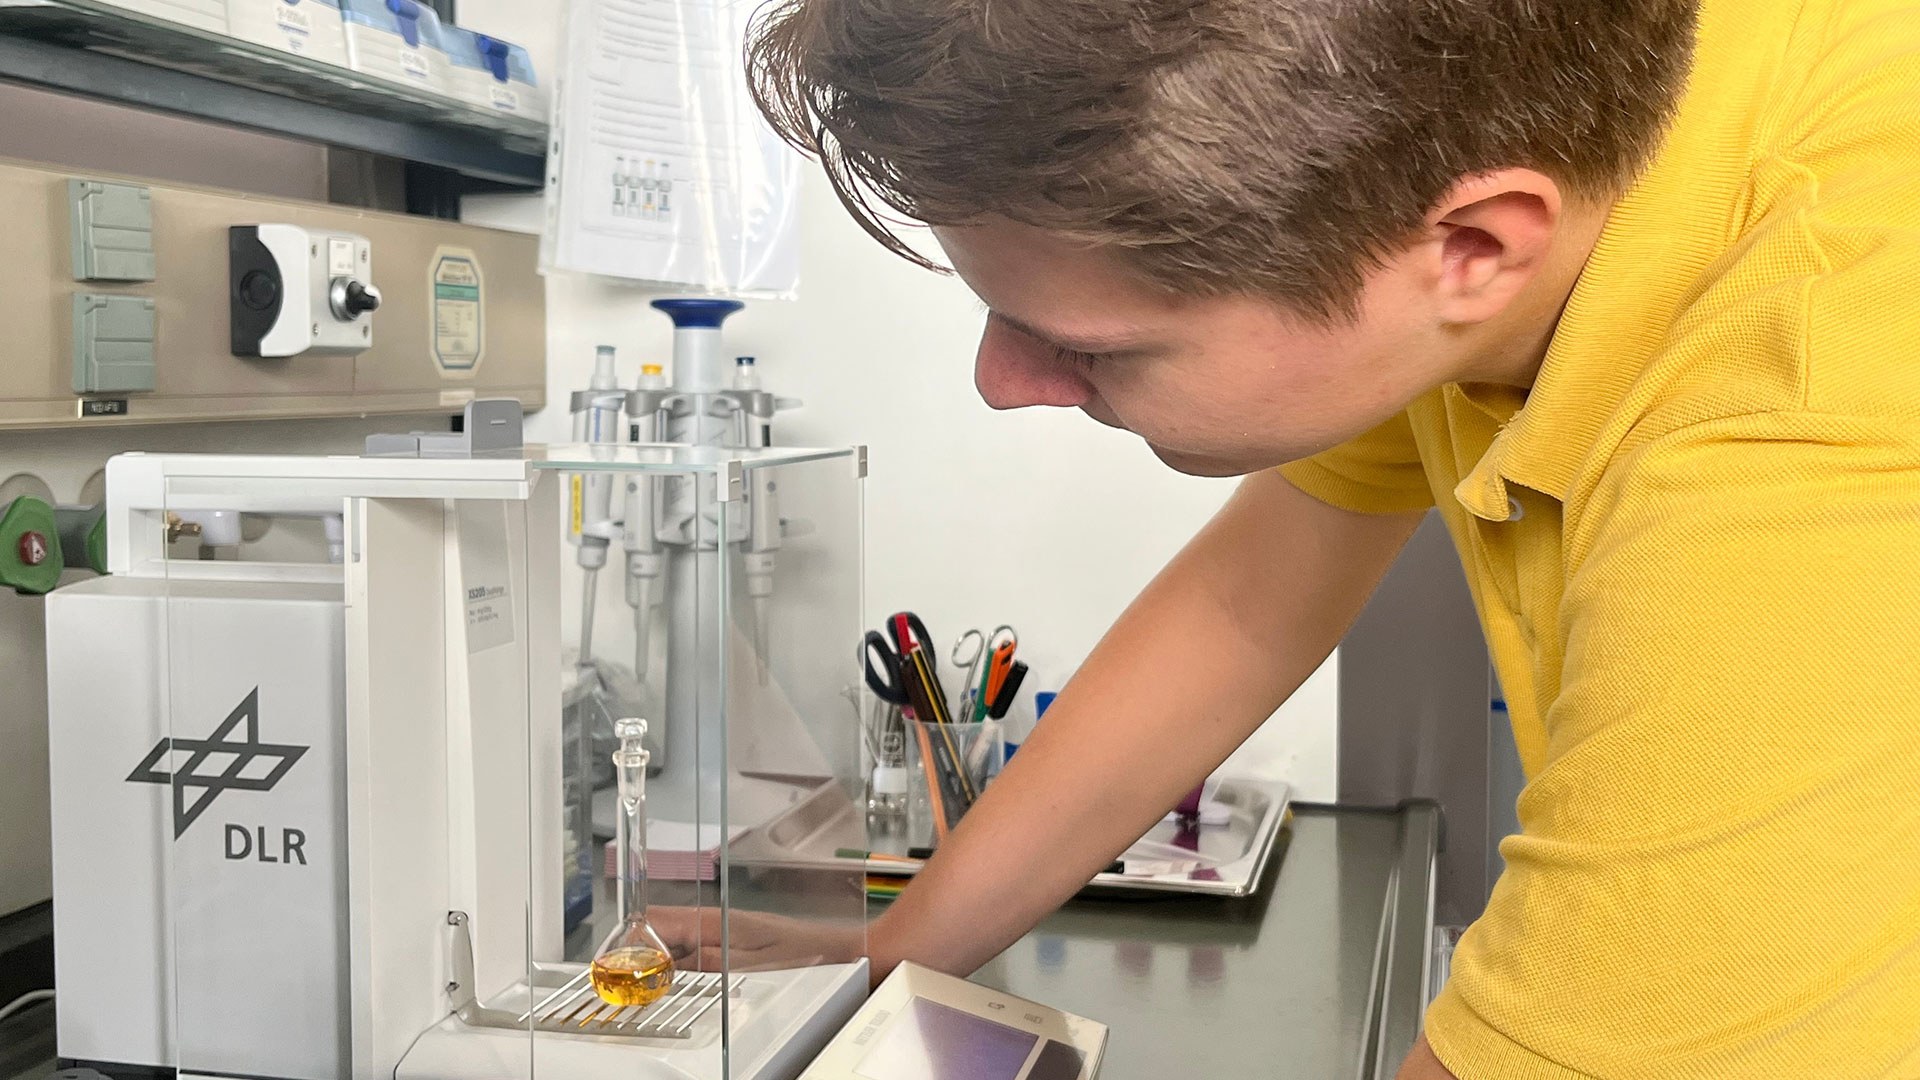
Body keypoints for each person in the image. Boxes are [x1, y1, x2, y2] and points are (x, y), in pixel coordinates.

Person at [743, 0, 1920, 1075]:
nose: (1001, 381)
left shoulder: (1810, 400)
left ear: (1472, 251)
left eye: (1090, 343)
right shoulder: (1494, 129)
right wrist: (890, 952)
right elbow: (1252, 599)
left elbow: (1565, 1045)